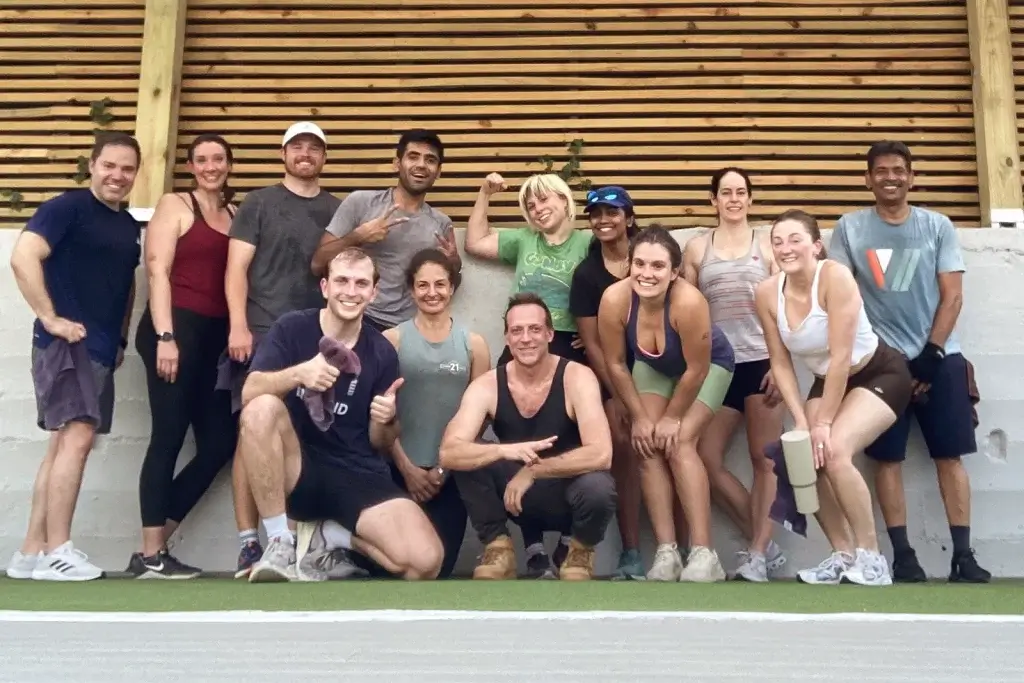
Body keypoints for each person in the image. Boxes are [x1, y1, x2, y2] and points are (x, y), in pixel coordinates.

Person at [830, 141, 990, 583]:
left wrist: (931, 356)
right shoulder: (849, 228)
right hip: (881, 366)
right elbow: (841, 299)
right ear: (868, 179)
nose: (891, 177)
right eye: (881, 171)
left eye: (899, 170)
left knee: (950, 456)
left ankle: (963, 556)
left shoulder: (937, 226)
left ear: (912, 177)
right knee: (887, 460)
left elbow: (952, 296)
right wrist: (891, 360)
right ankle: (903, 556)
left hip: (941, 360)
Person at [238, 247, 444, 583]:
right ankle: (280, 542)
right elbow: (249, 392)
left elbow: (381, 442)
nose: (351, 291)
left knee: (425, 563)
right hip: (298, 467)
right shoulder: (292, 328)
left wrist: (386, 419)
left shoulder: (381, 350)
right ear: (325, 287)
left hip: (356, 471)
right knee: (260, 408)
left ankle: (330, 537)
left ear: (373, 292)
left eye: (361, 283)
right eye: (342, 281)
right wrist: (299, 374)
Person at [6, 132, 142, 581]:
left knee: (64, 443)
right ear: (92, 165)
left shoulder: (127, 226)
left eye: (127, 168)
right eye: (110, 165)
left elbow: (125, 285)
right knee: (78, 438)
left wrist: (120, 340)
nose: (117, 175)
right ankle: (57, 551)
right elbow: (23, 256)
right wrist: (50, 318)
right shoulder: (66, 208)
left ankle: (31, 552)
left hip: (100, 347)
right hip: (68, 345)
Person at [755, 209, 904, 586]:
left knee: (834, 450)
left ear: (816, 246)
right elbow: (780, 362)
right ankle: (843, 554)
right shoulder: (766, 293)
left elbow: (841, 356)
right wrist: (801, 421)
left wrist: (822, 422)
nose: (786, 248)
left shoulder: (835, 277)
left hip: (878, 372)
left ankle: (872, 559)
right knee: (805, 455)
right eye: (777, 242)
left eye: (795, 240)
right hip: (826, 381)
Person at [222, 121, 342, 578]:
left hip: (316, 340)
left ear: (324, 157)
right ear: (284, 154)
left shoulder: (336, 209)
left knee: (300, 435)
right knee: (251, 429)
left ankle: (293, 540)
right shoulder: (258, 202)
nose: (305, 154)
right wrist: (238, 326)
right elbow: (236, 269)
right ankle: (249, 542)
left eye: (314, 148)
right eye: (297, 147)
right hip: (261, 332)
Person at [465, 171, 592, 577]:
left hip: (568, 347)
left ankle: (569, 542)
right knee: (518, 440)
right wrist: (484, 192)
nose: (537, 209)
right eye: (530, 204)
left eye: (544, 200)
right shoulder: (523, 240)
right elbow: (474, 242)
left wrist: (597, 333)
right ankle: (532, 545)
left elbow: (618, 279)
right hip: (522, 346)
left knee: (571, 444)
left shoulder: (588, 242)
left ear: (564, 200)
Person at [439, 293, 616, 581]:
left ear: (549, 334)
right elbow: (449, 452)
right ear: (507, 338)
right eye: (517, 331)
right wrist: (502, 452)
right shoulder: (487, 385)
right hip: (515, 496)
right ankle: (498, 548)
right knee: (469, 457)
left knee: (599, 486)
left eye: (534, 329)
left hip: (568, 492)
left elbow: (601, 453)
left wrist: (534, 470)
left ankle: (579, 549)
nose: (526, 338)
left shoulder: (577, 377)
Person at [126, 134, 238, 579]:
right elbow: (157, 270)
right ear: (191, 166)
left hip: (215, 341)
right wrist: (166, 335)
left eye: (219, 159)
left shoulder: (235, 214)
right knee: (168, 437)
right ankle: (152, 554)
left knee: (219, 444)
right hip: (175, 330)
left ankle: (153, 548)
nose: (211, 166)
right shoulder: (175, 205)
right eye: (202, 159)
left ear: (229, 164)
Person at [568, 186, 689, 580]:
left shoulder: (654, 258)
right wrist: (621, 396)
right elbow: (594, 345)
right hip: (616, 376)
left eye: (612, 212)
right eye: (596, 214)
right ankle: (632, 551)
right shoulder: (587, 275)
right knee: (624, 447)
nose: (604, 220)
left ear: (629, 217)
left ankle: (686, 549)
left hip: (665, 370)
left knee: (674, 446)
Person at [599, 225, 732, 582]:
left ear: (674, 272)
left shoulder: (689, 302)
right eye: (639, 264)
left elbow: (697, 369)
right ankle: (667, 551)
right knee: (646, 444)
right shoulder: (614, 300)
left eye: (658, 266)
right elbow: (615, 364)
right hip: (654, 366)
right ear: (629, 265)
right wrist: (640, 418)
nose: (647, 273)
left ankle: (705, 554)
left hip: (707, 366)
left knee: (680, 443)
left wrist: (672, 417)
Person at [681, 167, 787, 582]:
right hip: (718, 366)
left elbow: (784, 309)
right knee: (704, 457)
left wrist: (780, 365)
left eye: (741, 192)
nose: (734, 199)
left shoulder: (767, 244)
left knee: (765, 460)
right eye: (725, 192)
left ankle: (757, 554)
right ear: (713, 200)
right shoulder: (697, 248)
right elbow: (687, 310)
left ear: (750, 198)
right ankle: (763, 542)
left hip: (762, 362)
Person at [379, 248, 491, 577]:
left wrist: (444, 469)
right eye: (423, 285)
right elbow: (380, 415)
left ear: (452, 287)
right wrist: (407, 468)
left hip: (450, 477)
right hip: (398, 472)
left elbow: (481, 417)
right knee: (395, 567)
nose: (432, 293)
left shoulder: (474, 344)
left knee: (438, 568)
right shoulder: (391, 341)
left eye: (440, 284)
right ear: (411, 289)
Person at [311, 129, 461, 332]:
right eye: (413, 157)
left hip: (409, 329)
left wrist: (454, 262)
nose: (421, 165)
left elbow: (451, 280)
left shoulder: (441, 223)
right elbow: (317, 263)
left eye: (430, 160)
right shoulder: (361, 203)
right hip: (358, 319)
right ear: (397, 164)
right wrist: (358, 236)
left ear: (438, 171)